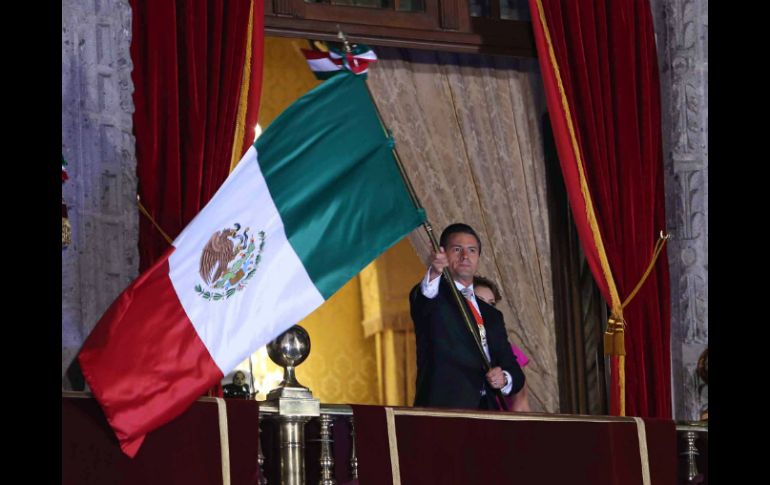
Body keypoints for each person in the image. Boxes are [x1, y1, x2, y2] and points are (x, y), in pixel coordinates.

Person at [410, 223, 525, 410]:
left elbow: (513, 369)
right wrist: (435, 271)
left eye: (472, 250)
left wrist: (505, 378)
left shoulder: (493, 315)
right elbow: (425, 294)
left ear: (478, 257)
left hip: (488, 414)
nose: (465, 256)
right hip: (444, 412)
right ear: (443, 254)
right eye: (457, 249)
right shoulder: (435, 298)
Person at [473, 275, 532, 412]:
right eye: (480, 302)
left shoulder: (509, 351)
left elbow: (521, 405)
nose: (486, 309)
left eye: (491, 304)